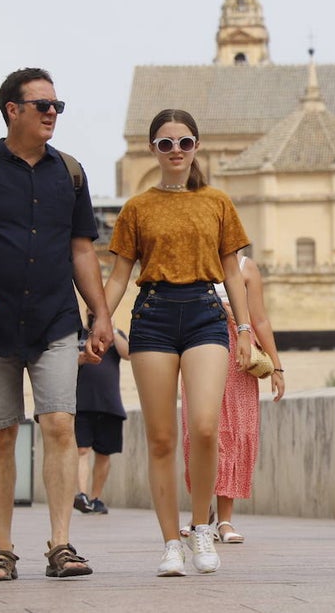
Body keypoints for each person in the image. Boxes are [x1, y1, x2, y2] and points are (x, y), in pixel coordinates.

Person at [0, 67, 114, 581]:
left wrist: (100, 312)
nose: (53, 113)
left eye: (58, 106)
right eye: (43, 105)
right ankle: (3, 550)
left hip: (55, 319)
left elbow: (83, 249)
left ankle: (61, 544)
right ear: (13, 110)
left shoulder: (71, 173)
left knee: (59, 424)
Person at [101, 108, 252, 577]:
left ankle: (201, 527)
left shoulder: (217, 202)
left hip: (206, 312)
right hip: (153, 315)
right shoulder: (137, 207)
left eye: (184, 142)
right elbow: (120, 275)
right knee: (162, 438)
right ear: (152, 150)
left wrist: (245, 331)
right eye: (165, 144)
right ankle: (170, 542)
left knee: (206, 425)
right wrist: (100, 323)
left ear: (196, 146)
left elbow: (232, 272)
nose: (175, 151)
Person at [181, 252, 285, 544]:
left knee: (235, 433)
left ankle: (225, 519)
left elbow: (260, 319)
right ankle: (201, 514)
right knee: (198, 433)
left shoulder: (245, 267)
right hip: (198, 345)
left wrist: (276, 366)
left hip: (239, 354)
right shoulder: (193, 259)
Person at [73, 313, 130, 516]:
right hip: (82, 403)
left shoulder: (116, 336)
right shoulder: (77, 334)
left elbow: (128, 353)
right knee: (82, 450)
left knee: (104, 453)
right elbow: (66, 361)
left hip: (109, 404)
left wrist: (112, 330)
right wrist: (80, 359)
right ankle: (82, 495)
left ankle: (95, 498)